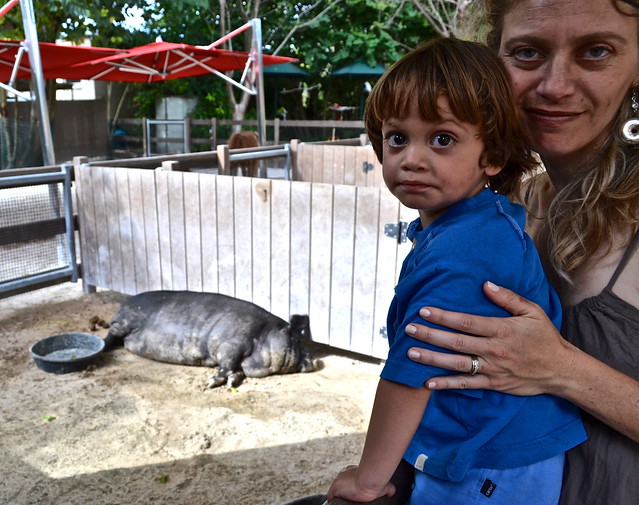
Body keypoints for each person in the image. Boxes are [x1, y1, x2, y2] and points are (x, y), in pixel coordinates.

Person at [326, 37, 586, 505]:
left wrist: (368, 481)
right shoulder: (480, 223)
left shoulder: (464, 249)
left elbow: (413, 373)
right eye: (397, 138)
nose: (412, 158)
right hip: (498, 446)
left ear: (492, 156)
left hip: (488, 463)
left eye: (442, 139)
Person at [403, 1, 639, 504]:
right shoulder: (513, 207)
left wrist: (561, 368)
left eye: (596, 52)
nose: (554, 85)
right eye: (527, 53)